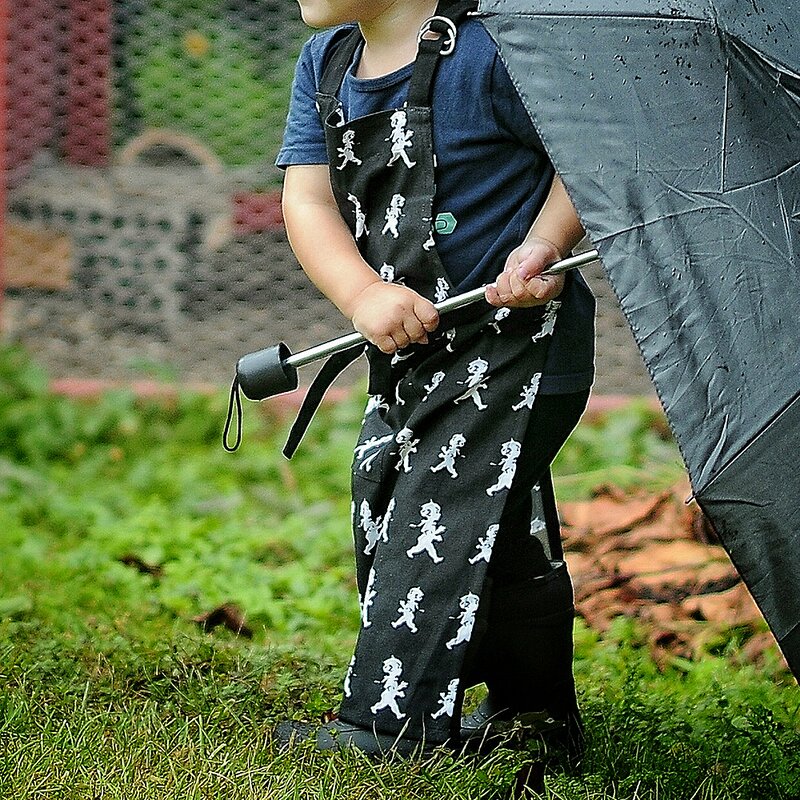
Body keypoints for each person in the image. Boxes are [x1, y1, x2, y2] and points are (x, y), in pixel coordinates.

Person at [274, 0, 596, 760]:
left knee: (435, 515)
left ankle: (390, 728)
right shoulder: (326, 64)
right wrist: (362, 294)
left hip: (519, 350)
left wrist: (543, 244)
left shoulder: (492, 55)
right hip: (412, 354)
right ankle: (536, 717)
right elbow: (307, 199)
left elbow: (583, 158)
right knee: (453, 512)